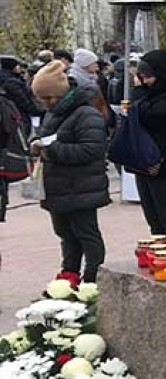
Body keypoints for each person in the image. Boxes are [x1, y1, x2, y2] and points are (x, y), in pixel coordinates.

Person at [29, 61, 108, 284]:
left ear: (58, 93)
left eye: (47, 98)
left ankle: (94, 279)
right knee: (66, 236)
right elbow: (43, 135)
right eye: (41, 99)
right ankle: (69, 275)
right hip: (59, 187)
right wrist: (35, 143)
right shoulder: (54, 113)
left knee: (86, 235)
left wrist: (51, 150)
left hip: (81, 187)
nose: (45, 104)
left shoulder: (86, 113)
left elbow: (91, 149)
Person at [129, 50, 166, 235]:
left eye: (149, 77)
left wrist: (138, 93)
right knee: (152, 214)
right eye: (142, 77)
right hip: (144, 160)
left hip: (164, 160)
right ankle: (159, 253)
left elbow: (150, 116)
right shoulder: (150, 94)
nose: (145, 82)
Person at [0, 57, 41, 125]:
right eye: (17, 65)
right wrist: (35, 111)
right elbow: (21, 100)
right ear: (12, 67)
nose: (19, 67)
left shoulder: (9, 78)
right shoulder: (12, 82)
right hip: (18, 115)